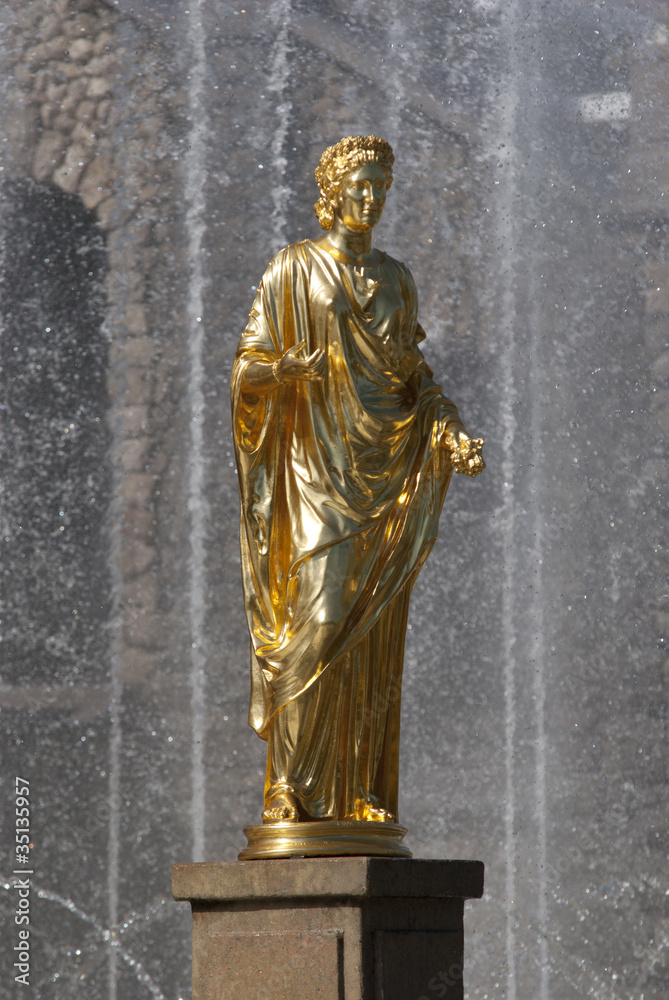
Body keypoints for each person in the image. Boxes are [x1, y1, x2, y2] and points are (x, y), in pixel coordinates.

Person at [232, 135, 483, 827]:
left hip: (385, 471)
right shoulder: (291, 271)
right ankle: (287, 787)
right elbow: (245, 370)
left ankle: (356, 792)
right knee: (317, 619)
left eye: (381, 187)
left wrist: (449, 430)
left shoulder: (397, 279)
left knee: (372, 632)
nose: (371, 198)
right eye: (360, 185)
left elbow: (414, 379)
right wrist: (285, 370)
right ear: (333, 190)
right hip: (316, 473)